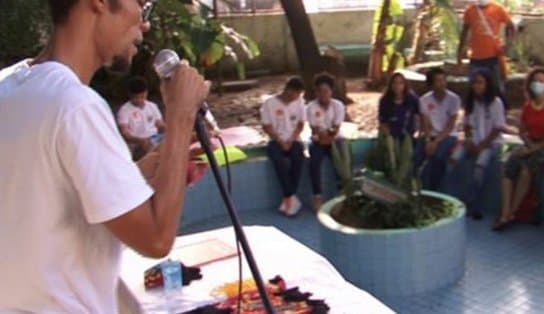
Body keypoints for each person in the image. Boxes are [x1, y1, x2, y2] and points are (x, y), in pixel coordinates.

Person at [0, 0, 209, 312]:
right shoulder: (74, 104)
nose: (145, 23)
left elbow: (48, 204)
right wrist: (179, 116)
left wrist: (146, 170)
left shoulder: (10, 84)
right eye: (141, 4)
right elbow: (156, 240)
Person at [447, 69, 506, 220]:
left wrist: (482, 146)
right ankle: (449, 198)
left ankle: (473, 203)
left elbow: (498, 128)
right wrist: (469, 139)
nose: (476, 86)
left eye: (480, 82)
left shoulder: (495, 103)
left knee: (480, 165)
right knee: (453, 159)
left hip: (491, 144)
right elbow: (466, 125)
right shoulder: (470, 102)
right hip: (473, 141)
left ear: (487, 84)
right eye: (474, 82)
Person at [493, 68, 544, 230]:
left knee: (526, 172)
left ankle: (511, 214)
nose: (539, 85)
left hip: (541, 147)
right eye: (537, 81)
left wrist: (532, 149)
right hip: (530, 143)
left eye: (542, 81)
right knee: (509, 166)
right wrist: (528, 144)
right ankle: (505, 212)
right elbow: (522, 131)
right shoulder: (528, 106)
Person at [260, 77, 306, 216]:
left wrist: (291, 140)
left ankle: (288, 198)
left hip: (293, 140)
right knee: (278, 160)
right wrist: (281, 141)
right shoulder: (269, 103)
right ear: (288, 90)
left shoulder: (299, 102)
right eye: (294, 95)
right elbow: (267, 126)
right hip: (276, 140)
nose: (295, 98)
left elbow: (300, 124)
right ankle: (290, 196)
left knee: (299, 158)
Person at [414, 68, 461, 190]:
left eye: (443, 80)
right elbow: (425, 124)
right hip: (430, 135)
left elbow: (450, 126)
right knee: (417, 155)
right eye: (438, 81)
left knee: (438, 156)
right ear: (431, 84)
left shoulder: (454, 99)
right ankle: (417, 187)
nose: (442, 83)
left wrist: (436, 142)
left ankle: (436, 190)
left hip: (448, 135)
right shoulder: (424, 100)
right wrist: (429, 140)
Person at [457, 0, 515, 94]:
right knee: (474, 90)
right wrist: (459, 54)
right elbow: (464, 33)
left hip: (494, 57)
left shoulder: (498, 9)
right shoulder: (470, 11)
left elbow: (511, 27)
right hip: (476, 59)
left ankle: (499, 108)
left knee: (497, 90)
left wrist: (508, 45)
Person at [307, 73, 345, 212]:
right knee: (314, 162)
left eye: (326, 91)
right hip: (318, 141)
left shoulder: (338, 106)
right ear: (316, 92)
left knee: (341, 159)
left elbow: (335, 129)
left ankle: (342, 193)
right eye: (320, 91)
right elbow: (315, 130)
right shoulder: (311, 107)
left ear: (331, 91)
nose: (323, 94)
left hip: (334, 140)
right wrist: (323, 136)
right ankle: (317, 195)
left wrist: (328, 136)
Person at [117, 76, 166, 158]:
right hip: (135, 141)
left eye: (142, 97)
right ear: (130, 95)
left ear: (146, 93)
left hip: (154, 138)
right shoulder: (124, 110)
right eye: (136, 98)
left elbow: (160, 125)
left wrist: (171, 129)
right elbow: (125, 133)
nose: (140, 100)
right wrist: (141, 140)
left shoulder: (152, 106)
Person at [378, 72, 420, 140]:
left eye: (400, 83)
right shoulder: (384, 100)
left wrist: (418, 131)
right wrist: (389, 137)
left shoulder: (412, 98)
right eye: (394, 83)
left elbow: (420, 115)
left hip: (409, 137)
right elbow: (382, 121)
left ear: (405, 85)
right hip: (390, 136)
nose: (397, 86)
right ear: (390, 84)